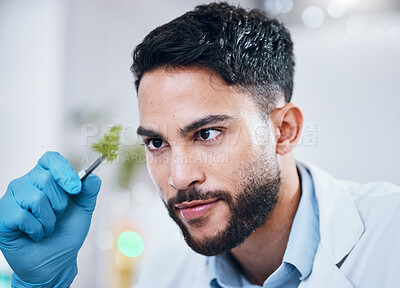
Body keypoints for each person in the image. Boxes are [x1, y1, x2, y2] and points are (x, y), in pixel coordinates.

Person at [0, 2, 399, 288]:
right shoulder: (162, 275)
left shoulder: (390, 238)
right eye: (157, 142)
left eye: (207, 134)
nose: (178, 177)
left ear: (285, 130)